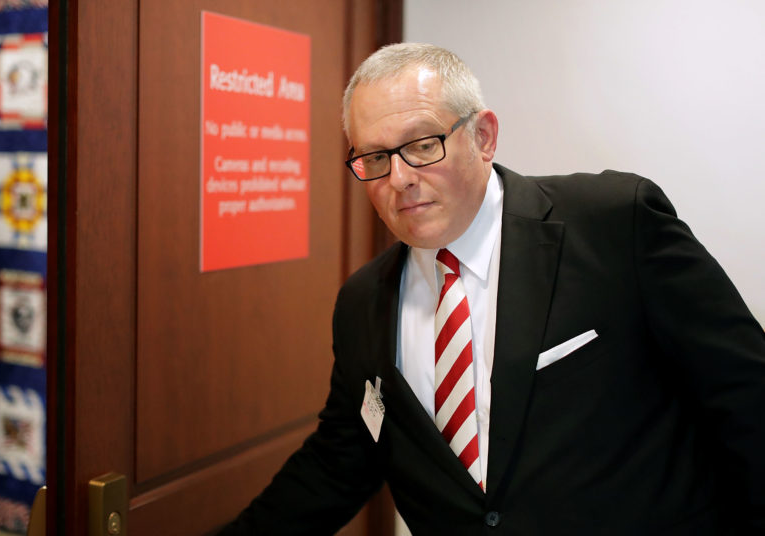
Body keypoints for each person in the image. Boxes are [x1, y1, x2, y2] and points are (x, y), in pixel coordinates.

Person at [221, 43, 765, 535]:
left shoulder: (614, 225)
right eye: (376, 157)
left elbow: (746, 397)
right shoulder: (364, 302)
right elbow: (339, 462)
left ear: (482, 136)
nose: (399, 178)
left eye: (422, 145)